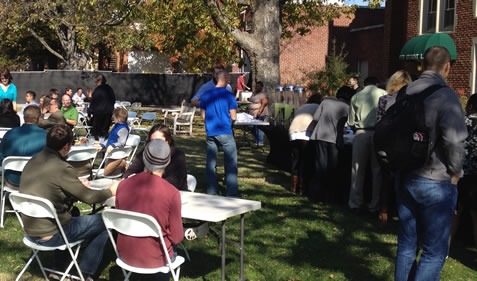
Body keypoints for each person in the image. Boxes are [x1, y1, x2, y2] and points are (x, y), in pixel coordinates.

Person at [394, 46, 467, 281]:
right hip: (436, 180)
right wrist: (456, 172)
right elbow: (455, 139)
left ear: (422, 65)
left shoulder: (405, 92)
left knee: (407, 246)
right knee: (434, 251)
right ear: (447, 66)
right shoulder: (446, 96)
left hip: (406, 175)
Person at [19, 125, 117, 281]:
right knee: (107, 221)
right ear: (66, 146)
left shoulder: (33, 161)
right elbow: (89, 198)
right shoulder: (62, 167)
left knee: (74, 212)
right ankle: (86, 272)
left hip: (31, 229)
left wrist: (76, 185)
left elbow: (51, 189)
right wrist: (111, 191)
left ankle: (58, 269)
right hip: (53, 233)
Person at [116, 139, 183, 280]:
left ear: (144, 158)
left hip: (125, 253)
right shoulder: (172, 193)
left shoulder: (122, 185)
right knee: (170, 246)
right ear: (167, 161)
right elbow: (177, 238)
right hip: (156, 257)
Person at [376, 70, 412, 228]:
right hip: (404, 144)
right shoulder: (411, 100)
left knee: (386, 179)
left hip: (385, 144)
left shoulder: (384, 100)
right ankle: (402, 213)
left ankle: (383, 212)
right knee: (403, 179)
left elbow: (378, 122)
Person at [347, 76, 387, 214]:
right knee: (377, 171)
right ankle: (374, 205)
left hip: (361, 132)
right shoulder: (383, 94)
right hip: (378, 133)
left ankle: (355, 203)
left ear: (364, 84)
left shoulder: (356, 96)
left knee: (357, 170)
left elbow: (351, 122)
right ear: (376, 83)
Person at [310, 86, 354, 203]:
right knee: (332, 168)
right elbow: (348, 123)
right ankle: (330, 197)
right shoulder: (346, 107)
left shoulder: (326, 102)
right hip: (334, 139)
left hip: (320, 136)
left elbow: (315, 118)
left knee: (320, 166)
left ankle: (317, 196)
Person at [199, 70, 239, 197]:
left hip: (211, 132)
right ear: (226, 79)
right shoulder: (229, 96)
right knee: (231, 162)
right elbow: (233, 117)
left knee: (211, 162)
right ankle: (231, 192)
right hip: (225, 131)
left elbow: (203, 115)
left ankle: (211, 191)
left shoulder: (206, 95)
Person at [123, 125, 188, 191]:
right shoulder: (146, 152)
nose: (155, 144)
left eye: (159, 141)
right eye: (152, 141)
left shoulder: (177, 155)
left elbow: (175, 181)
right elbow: (131, 171)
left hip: (174, 194)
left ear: (167, 141)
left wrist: (144, 182)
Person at [450, 93, 477, 248]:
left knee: (454, 211)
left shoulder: (461, 121)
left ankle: (445, 248)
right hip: (475, 174)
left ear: (470, 106)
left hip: (459, 172)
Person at [0, 105, 46, 188]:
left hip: (11, 182)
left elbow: (1, 157)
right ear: (39, 118)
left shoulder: (9, 134)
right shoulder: (46, 136)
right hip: (36, 182)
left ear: (24, 118)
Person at [288, 94, 322, 195]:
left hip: (293, 134)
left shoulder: (302, 107)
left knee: (295, 161)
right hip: (306, 135)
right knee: (305, 161)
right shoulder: (318, 107)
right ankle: (302, 188)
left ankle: (293, 187)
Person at [99, 107, 129, 176]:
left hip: (117, 154)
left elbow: (122, 142)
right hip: (110, 152)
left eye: (114, 117)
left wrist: (113, 146)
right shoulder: (116, 126)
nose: (113, 118)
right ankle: (119, 166)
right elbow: (110, 138)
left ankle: (123, 163)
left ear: (118, 119)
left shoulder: (123, 129)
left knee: (106, 173)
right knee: (106, 171)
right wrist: (103, 145)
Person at [88, 74, 116, 139]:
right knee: (105, 131)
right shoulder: (109, 89)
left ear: (99, 81)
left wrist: (89, 113)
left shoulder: (97, 90)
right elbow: (113, 100)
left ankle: (96, 145)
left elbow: (93, 103)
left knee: (96, 132)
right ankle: (105, 144)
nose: (95, 83)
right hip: (108, 113)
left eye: (96, 81)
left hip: (98, 114)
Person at [247, 81, 269, 145]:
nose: (257, 87)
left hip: (260, 113)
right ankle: (256, 139)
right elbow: (251, 101)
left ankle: (260, 142)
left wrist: (259, 112)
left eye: (258, 86)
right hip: (252, 113)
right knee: (250, 126)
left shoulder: (263, 94)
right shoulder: (254, 93)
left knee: (258, 128)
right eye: (256, 86)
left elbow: (264, 104)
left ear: (262, 87)